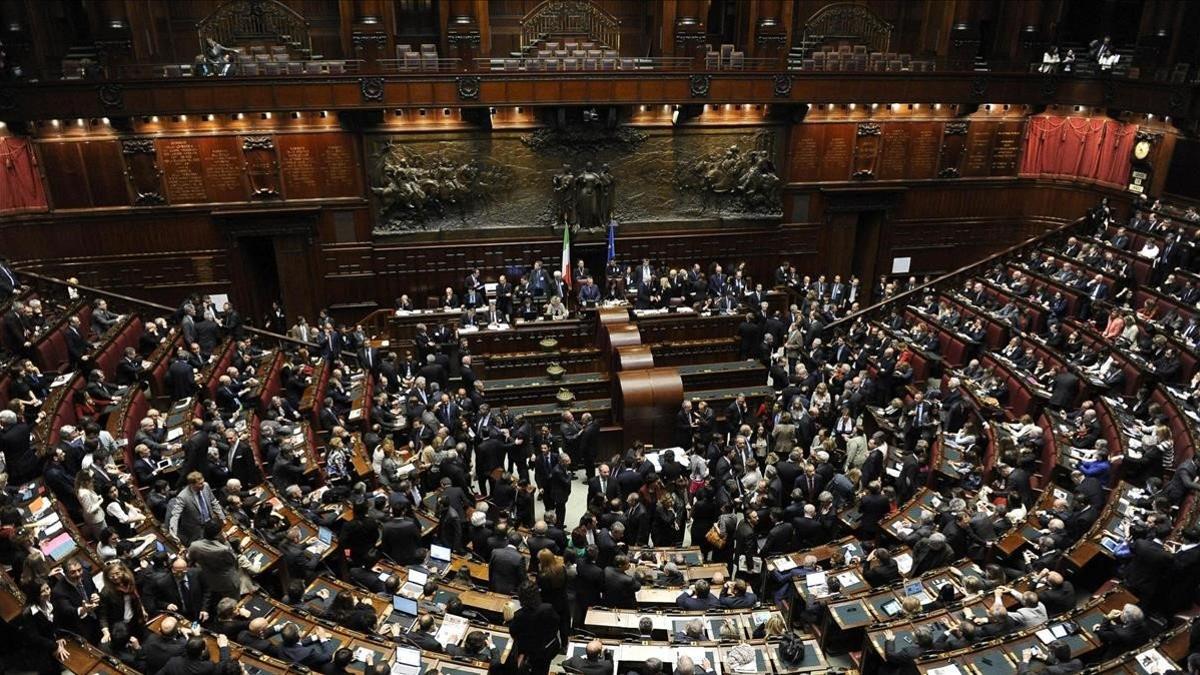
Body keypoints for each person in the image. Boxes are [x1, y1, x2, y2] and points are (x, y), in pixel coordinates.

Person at [509, 582, 561, 675]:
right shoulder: (548, 608)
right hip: (547, 647)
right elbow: (556, 624)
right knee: (543, 668)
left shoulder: (519, 615)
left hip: (529, 650)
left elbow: (513, 633)